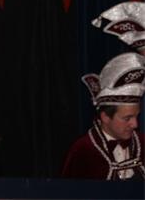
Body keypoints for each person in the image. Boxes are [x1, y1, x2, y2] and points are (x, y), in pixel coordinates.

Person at [62, 52, 145, 180]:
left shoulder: (142, 144)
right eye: (127, 118)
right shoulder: (83, 151)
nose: (135, 124)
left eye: (136, 116)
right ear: (105, 117)